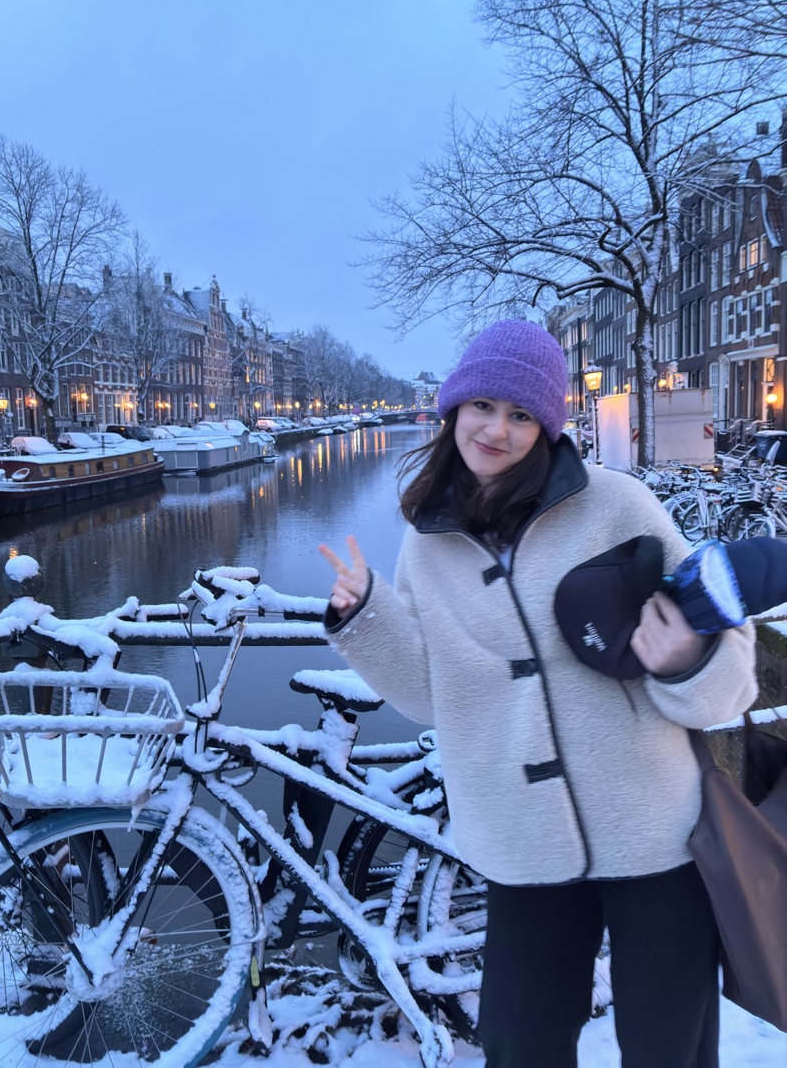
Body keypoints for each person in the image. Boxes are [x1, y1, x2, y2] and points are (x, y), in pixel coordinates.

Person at [318, 319, 757, 1068]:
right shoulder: (426, 542)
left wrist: (686, 659)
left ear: (548, 425)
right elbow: (428, 695)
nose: (497, 429)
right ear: (454, 406)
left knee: (670, 1051)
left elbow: (731, 668)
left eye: (522, 414)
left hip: (655, 831)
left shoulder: (618, 505)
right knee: (521, 1048)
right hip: (520, 843)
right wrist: (364, 617)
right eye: (483, 405)